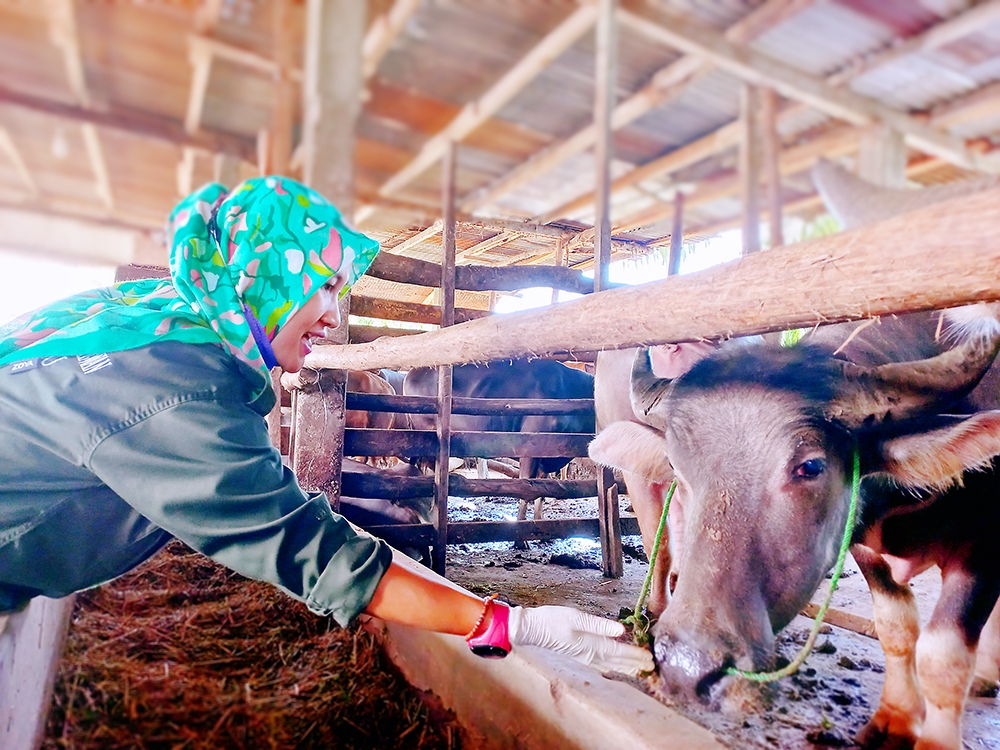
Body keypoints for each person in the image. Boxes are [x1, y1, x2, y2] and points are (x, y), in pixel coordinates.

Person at [0, 177, 652, 676]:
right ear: (267, 283)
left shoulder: (157, 313)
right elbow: (318, 557)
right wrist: (512, 625)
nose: (332, 313)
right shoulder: (179, 398)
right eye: (320, 286)